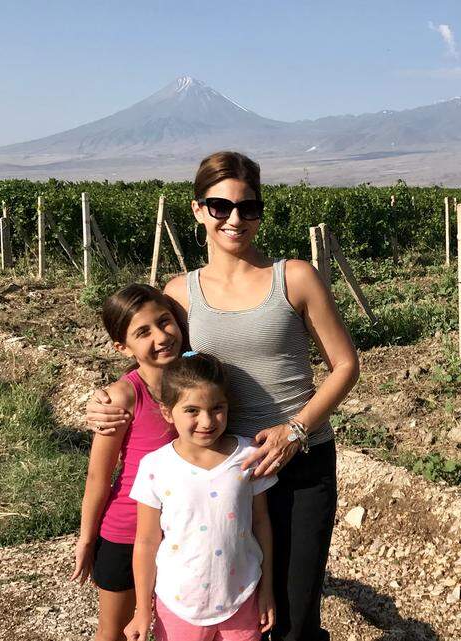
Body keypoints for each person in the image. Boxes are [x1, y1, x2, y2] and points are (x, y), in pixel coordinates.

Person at [88, 151, 360, 640]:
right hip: (222, 473)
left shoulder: (293, 276)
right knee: (223, 604)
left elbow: (345, 366)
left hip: (301, 466)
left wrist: (296, 431)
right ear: (198, 211)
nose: (235, 219)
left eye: (248, 208)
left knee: (295, 617)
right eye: (220, 207)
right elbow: (160, 365)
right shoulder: (182, 293)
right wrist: (108, 397)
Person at [124, 351, 277, 641]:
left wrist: (267, 588)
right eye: (192, 410)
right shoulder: (155, 467)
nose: (207, 421)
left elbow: (261, 523)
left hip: (242, 597)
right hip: (179, 604)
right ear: (168, 412)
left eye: (217, 408)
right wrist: (142, 609)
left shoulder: (249, 456)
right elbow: (145, 541)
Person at [72, 284, 182, 641]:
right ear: (122, 347)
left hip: (182, 534)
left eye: (165, 322)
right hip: (126, 534)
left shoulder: (198, 381)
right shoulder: (121, 397)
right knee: (116, 633)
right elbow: (98, 477)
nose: (162, 336)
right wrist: (87, 540)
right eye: (143, 332)